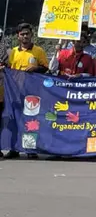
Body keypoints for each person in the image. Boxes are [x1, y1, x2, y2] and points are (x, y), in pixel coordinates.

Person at [0, 23, 48, 159]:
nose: (25, 36)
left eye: (27, 33)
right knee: (14, 120)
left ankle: (30, 149)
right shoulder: (13, 52)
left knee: (30, 121)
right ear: (18, 36)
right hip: (14, 92)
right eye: (22, 34)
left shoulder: (39, 51)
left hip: (32, 92)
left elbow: (45, 68)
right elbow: (9, 68)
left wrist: (35, 69)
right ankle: (14, 149)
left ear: (31, 35)